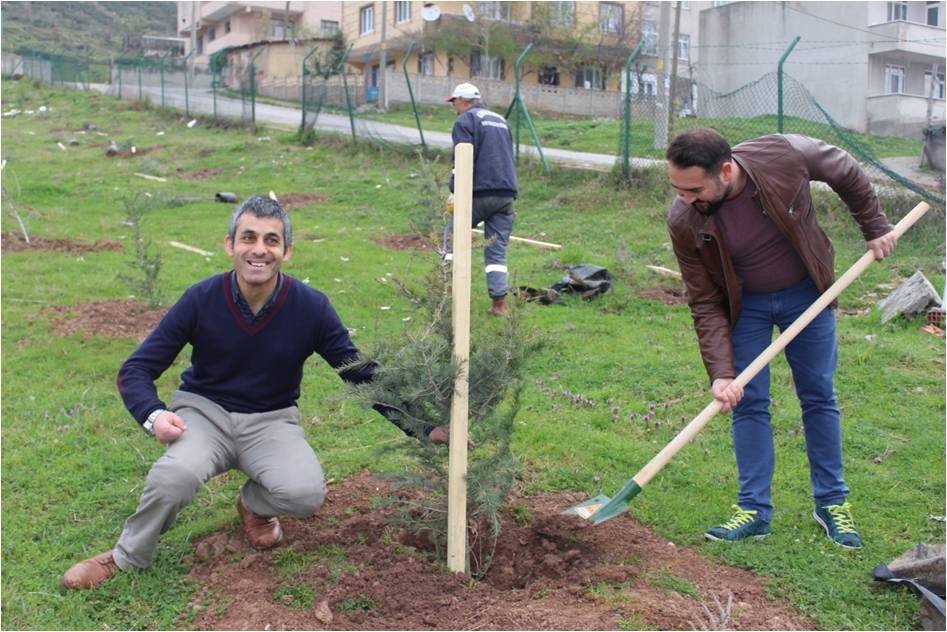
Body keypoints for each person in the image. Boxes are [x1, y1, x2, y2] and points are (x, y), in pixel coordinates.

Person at [63, 196, 450, 589]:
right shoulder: (202, 298)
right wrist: (154, 415)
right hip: (204, 414)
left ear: (287, 251)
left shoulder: (311, 307)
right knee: (174, 477)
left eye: (271, 240)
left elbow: (359, 374)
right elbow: (136, 369)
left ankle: (253, 506)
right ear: (230, 244)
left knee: (304, 495)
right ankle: (126, 557)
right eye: (248, 237)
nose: (259, 249)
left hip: (271, 419)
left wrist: (422, 425)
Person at [665, 128, 897, 549]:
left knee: (819, 395)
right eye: (678, 189)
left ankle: (832, 503)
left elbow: (844, 169)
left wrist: (875, 225)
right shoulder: (684, 220)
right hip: (745, 306)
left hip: (807, 293)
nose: (684, 199)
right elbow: (704, 301)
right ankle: (754, 508)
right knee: (747, 400)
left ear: (727, 170)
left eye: (693, 189)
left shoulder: (781, 155)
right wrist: (721, 372)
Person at [444, 82, 518, 316]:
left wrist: (454, 189)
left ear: (463, 101)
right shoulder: (501, 121)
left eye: (454, 101)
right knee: (497, 251)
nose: (453, 106)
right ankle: (499, 305)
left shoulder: (466, 121)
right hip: (505, 194)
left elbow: (463, 157)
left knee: (452, 238)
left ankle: (446, 293)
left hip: (478, 193)